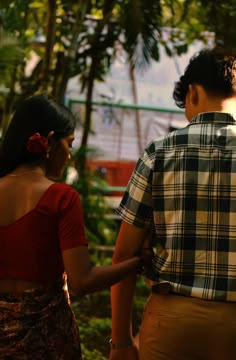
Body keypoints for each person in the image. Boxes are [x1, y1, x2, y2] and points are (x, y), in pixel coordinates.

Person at [109, 47, 236, 360]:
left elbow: (123, 254)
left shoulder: (159, 153)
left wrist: (122, 342)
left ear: (192, 93)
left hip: (171, 322)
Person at [0, 94, 148, 359]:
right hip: (46, 343)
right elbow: (82, 282)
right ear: (49, 142)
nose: (69, 154)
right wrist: (136, 263)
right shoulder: (61, 198)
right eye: (69, 144)